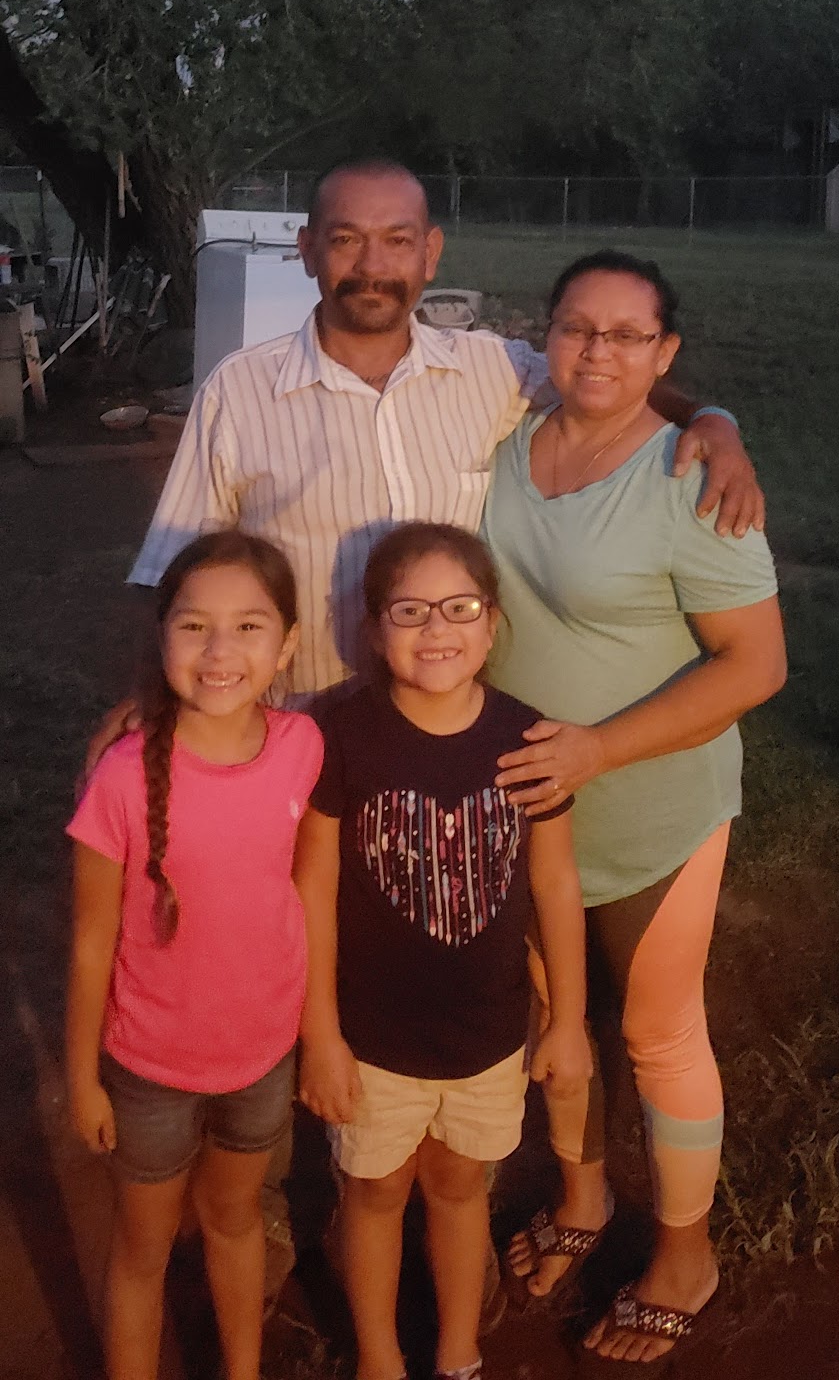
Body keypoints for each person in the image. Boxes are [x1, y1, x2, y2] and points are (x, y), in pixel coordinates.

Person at [125, 161, 765, 696]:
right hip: (299, 724)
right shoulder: (240, 392)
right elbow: (171, 578)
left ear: (430, 254)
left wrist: (711, 420)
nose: (372, 265)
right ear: (308, 250)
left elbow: (597, 377)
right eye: (346, 239)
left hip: (445, 728)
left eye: (398, 241)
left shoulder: (490, 370)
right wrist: (148, 709)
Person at [480, 250, 787, 1365]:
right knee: (550, 1013)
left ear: (664, 353)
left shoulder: (692, 481)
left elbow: (755, 666)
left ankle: (684, 1256)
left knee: (657, 1032)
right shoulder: (505, 441)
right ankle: (582, 1197)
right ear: (545, 334)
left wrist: (600, 747)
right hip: (531, 811)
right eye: (576, 327)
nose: (596, 351)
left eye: (626, 335)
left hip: (653, 805)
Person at [293, 523, 593, 1380]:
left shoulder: (527, 740)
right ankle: (380, 1357)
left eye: (459, 608)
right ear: (373, 627)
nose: (436, 630)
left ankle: (460, 1350)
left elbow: (555, 886)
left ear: (491, 624)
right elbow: (311, 890)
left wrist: (567, 1022)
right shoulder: (341, 736)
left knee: (461, 1187)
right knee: (376, 1192)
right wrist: (321, 1035)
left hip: (488, 1038)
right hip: (370, 1039)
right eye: (410, 611)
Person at [65, 533, 323, 1380]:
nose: (220, 652)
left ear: (287, 643)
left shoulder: (301, 746)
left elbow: (299, 889)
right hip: (149, 1069)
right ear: (162, 636)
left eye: (249, 626)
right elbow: (92, 939)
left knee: (235, 1218)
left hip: (262, 1058)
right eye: (193, 626)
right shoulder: (121, 778)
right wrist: (82, 1077)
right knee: (143, 1249)